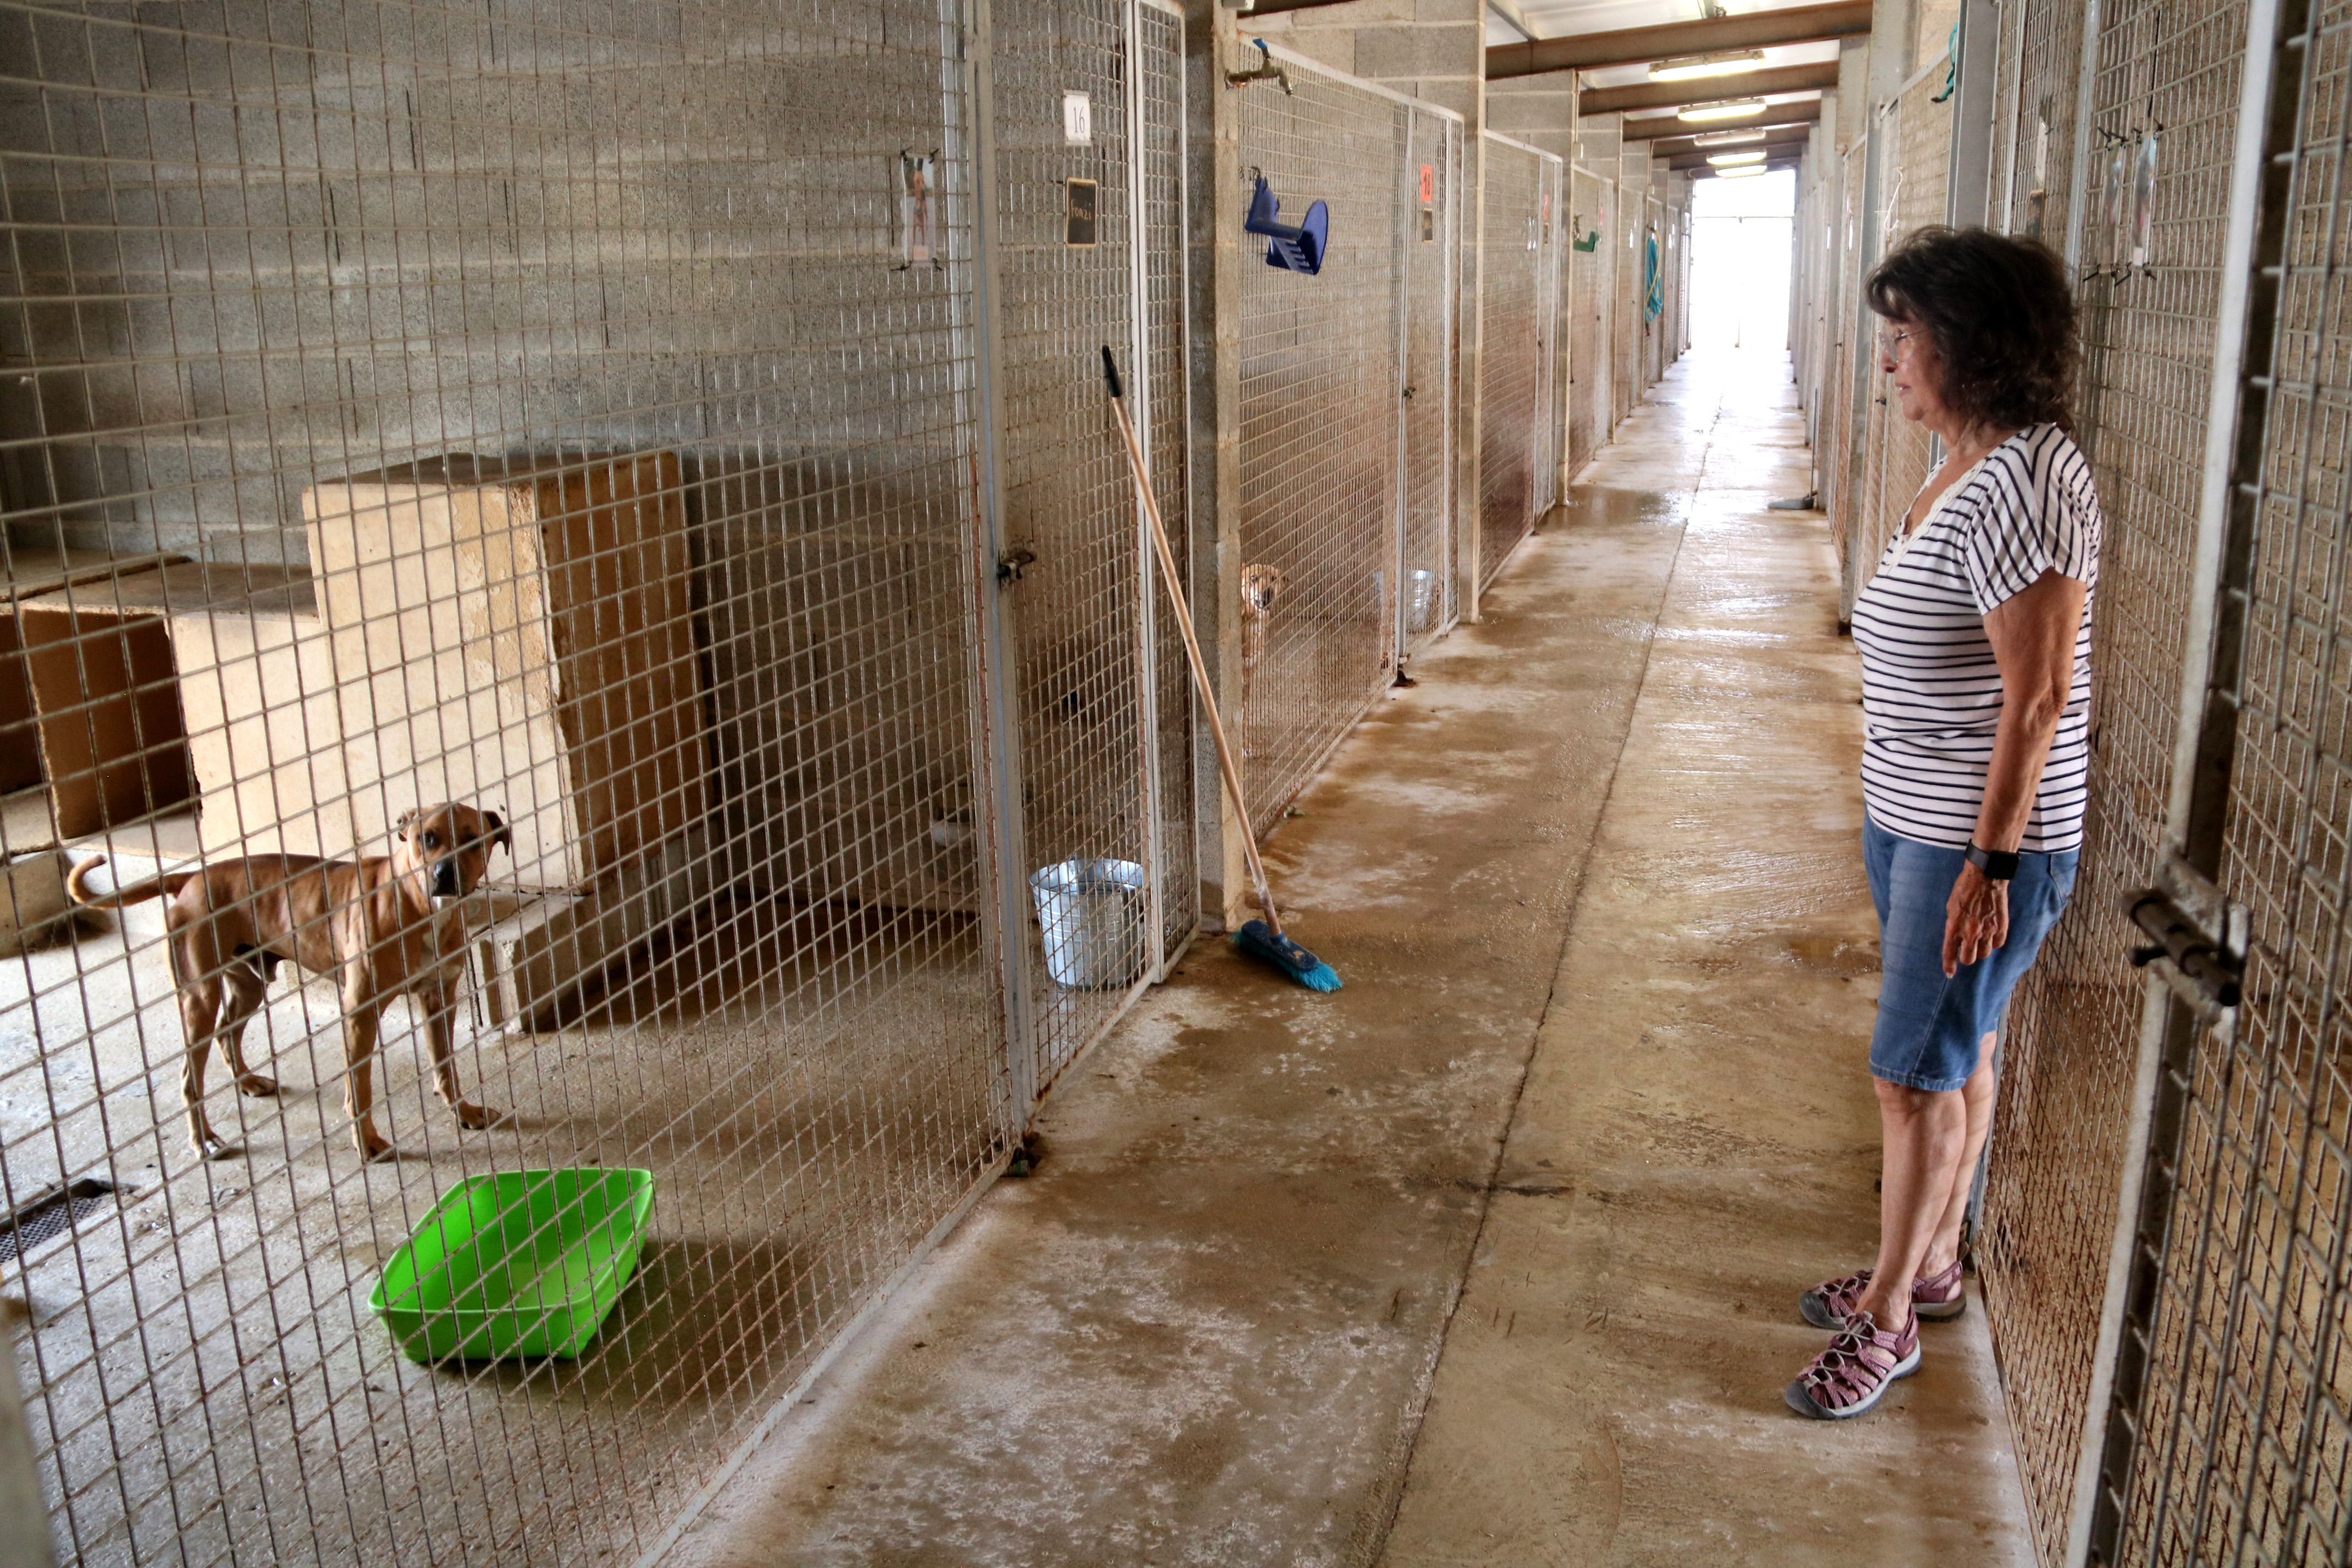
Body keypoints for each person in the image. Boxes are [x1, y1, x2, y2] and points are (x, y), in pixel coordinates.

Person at [1786, 225, 2101, 1421]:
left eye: (1905, 337)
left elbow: (2040, 695)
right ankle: (1922, 1263)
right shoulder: (1962, 466)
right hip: (1918, 822)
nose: (1890, 362)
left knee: (1909, 1076)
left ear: (1970, 346)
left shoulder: (2026, 481)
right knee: (1944, 1057)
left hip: (1973, 843)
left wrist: (1991, 862)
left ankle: (1886, 1325)